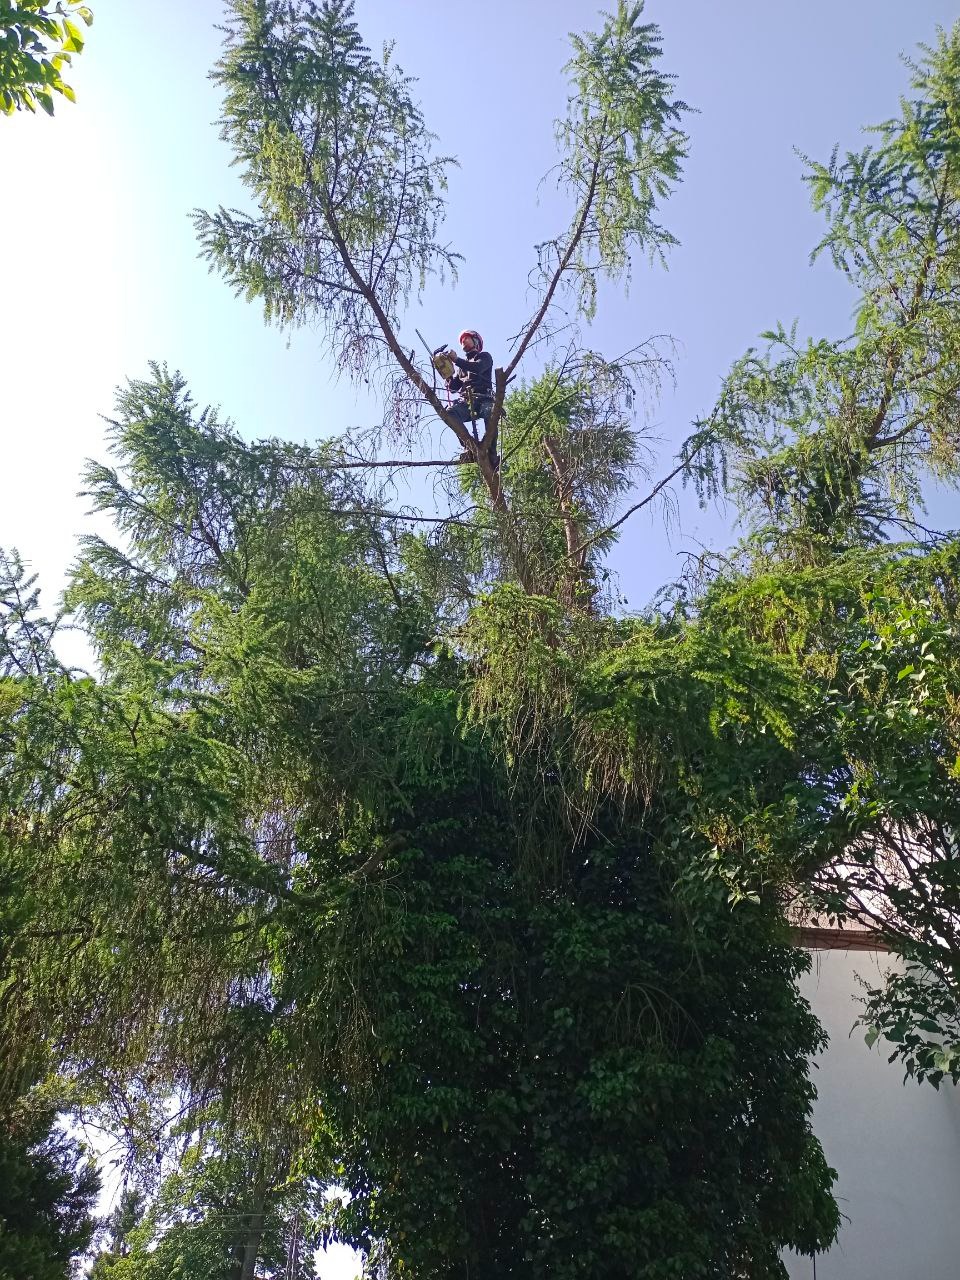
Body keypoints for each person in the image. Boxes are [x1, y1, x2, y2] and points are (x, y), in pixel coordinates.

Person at [445, 329, 494, 440]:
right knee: (450, 414)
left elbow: (478, 368)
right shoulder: (462, 368)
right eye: (462, 340)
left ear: (476, 341)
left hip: (484, 398)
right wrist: (447, 374)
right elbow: (453, 388)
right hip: (467, 401)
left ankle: (491, 451)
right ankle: (470, 445)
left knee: (490, 413)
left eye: (466, 338)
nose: (463, 341)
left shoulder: (484, 357)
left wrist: (456, 360)